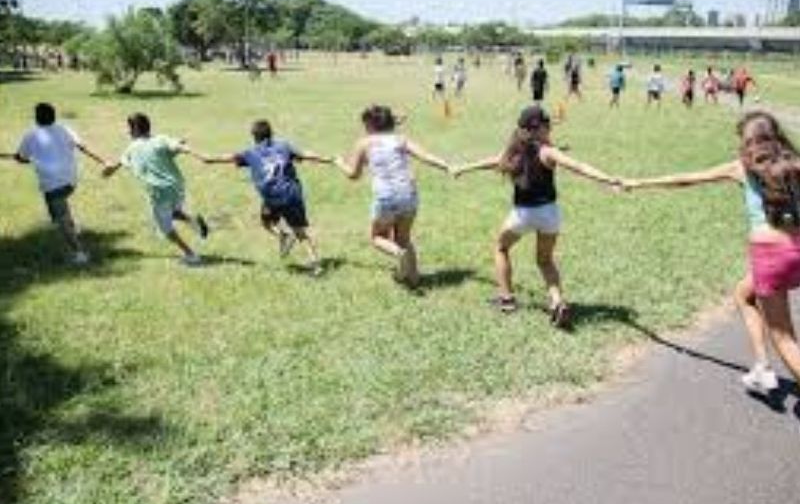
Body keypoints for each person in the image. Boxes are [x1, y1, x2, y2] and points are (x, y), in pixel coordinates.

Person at [625, 111, 800, 390]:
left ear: (747, 143)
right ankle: (761, 366)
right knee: (744, 294)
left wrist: (639, 183)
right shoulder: (793, 163)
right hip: (796, 250)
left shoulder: (741, 167)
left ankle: (768, 367)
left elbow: (687, 178)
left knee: (783, 336)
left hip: (770, 254)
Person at [453, 105, 623, 324]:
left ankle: (506, 299)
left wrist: (463, 168)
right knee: (545, 261)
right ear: (539, 127)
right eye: (547, 124)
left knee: (501, 248)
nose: (550, 128)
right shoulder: (547, 152)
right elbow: (578, 166)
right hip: (549, 214)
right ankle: (557, 301)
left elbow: (491, 162)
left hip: (522, 215)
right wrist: (608, 179)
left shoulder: (513, 151)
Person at [334, 105, 451, 288]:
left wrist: (340, 163)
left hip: (386, 197)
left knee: (377, 238)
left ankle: (398, 254)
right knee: (404, 238)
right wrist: (445, 165)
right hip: (408, 194)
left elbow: (353, 175)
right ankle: (414, 279)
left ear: (370, 125)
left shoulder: (364, 143)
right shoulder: (400, 139)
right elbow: (425, 155)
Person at [195, 119, 333, 275]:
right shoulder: (284, 146)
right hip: (290, 194)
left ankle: (289, 239)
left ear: (254, 137)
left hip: (272, 197)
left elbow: (224, 157)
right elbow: (306, 155)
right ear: (271, 134)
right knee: (294, 229)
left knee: (271, 224)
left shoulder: (250, 153)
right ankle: (311, 261)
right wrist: (329, 159)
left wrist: (206, 158)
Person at [1, 102, 110, 265]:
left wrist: (15, 157)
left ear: (37, 118)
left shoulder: (31, 135)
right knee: (60, 209)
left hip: (52, 185)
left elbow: (22, 158)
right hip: (71, 181)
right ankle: (73, 228)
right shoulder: (65, 129)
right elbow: (83, 147)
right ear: (54, 116)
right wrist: (103, 161)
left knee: (61, 219)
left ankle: (79, 253)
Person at [103, 113, 209, 265]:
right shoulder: (161, 139)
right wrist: (190, 149)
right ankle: (194, 222)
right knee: (172, 212)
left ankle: (191, 254)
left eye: (129, 128)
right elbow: (178, 145)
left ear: (136, 129)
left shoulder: (132, 148)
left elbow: (118, 163)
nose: (128, 132)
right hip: (177, 186)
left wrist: (109, 171)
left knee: (165, 228)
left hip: (158, 192)